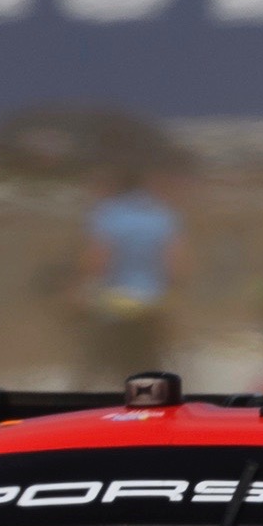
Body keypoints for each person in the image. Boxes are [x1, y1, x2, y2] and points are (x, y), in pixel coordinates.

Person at [74, 165, 179, 386]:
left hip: (114, 305)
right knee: (150, 365)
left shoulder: (107, 214)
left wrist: (83, 287)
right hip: (151, 303)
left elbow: (98, 259)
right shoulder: (162, 215)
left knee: (106, 366)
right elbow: (176, 264)